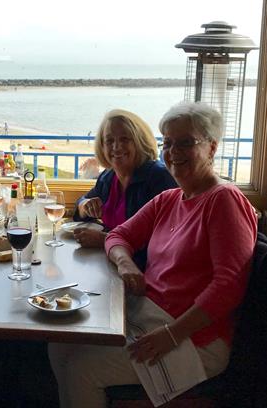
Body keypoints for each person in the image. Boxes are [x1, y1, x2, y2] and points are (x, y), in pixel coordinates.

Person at [49, 102, 258, 408]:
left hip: (194, 337)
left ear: (212, 148)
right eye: (168, 143)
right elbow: (118, 236)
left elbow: (228, 285)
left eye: (185, 142)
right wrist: (126, 264)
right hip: (149, 315)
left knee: (83, 370)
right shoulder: (169, 199)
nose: (173, 152)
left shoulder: (224, 199)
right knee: (59, 344)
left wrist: (172, 334)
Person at [73, 109, 177, 269]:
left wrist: (104, 239)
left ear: (139, 142)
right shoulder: (108, 177)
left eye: (124, 139)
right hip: (110, 265)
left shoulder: (158, 177)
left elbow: (165, 242)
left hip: (143, 273)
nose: (116, 147)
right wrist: (84, 206)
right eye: (109, 141)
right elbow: (81, 205)